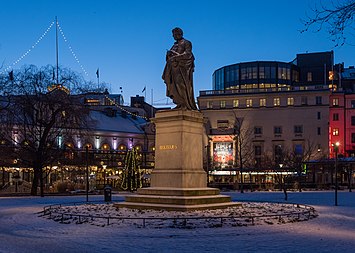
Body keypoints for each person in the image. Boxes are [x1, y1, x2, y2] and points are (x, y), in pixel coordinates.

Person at [162, 27, 197, 110]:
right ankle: (179, 103)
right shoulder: (174, 45)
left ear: (179, 34)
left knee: (180, 84)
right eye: (173, 35)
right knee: (173, 86)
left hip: (182, 68)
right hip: (172, 68)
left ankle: (185, 103)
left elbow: (188, 54)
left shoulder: (186, 42)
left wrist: (176, 57)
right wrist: (169, 54)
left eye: (174, 34)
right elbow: (168, 58)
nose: (173, 36)